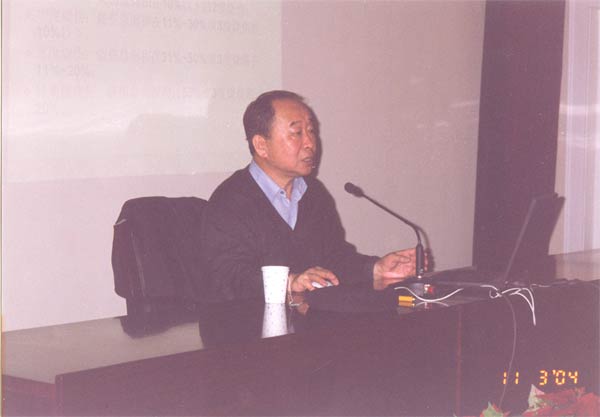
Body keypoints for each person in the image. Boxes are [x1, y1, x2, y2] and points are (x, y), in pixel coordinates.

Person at [201, 90, 419, 302]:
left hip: (309, 319)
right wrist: (289, 282)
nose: (310, 143)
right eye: (297, 133)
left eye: (311, 131)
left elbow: (334, 258)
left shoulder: (314, 193)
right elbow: (228, 277)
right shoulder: (230, 201)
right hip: (250, 323)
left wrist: (375, 268)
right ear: (261, 145)